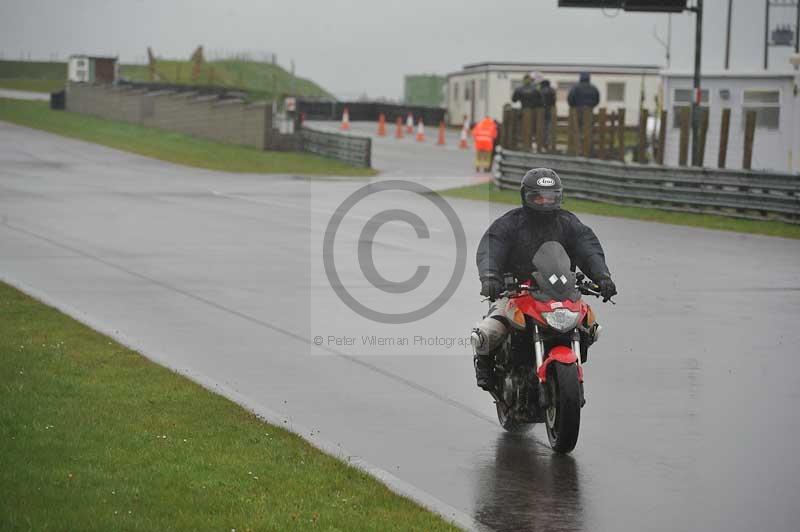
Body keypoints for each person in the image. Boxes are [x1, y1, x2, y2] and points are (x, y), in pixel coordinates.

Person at [471, 168, 617, 390]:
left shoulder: (569, 224)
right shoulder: (510, 223)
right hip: (517, 292)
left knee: (591, 326)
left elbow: (588, 249)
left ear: (559, 197)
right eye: (538, 196)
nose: (545, 202)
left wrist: (602, 276)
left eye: (550, 197)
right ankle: (484, 367)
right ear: (526, 196)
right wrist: (490, 276)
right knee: (489, 331)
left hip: (561, 292)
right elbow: (493, 247)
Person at [567, 73, 600, 154]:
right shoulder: (594, 88)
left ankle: (578, 149)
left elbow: (570, 98)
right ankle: (588, 149)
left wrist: (574, 106)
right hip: (589, 111)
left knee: (577, 130)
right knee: (589, 130)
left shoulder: (575, 87)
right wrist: (591, 106)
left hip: (577, 110)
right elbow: (597, 99)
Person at [539, 79, 556, 149]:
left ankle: (542, 143)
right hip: (550, 111)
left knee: (541, 127)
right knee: (549, 128)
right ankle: (548, 143)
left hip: (542, 111)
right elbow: (554, 101)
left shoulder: (540, 91)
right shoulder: (552, 90)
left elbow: (539, 101)